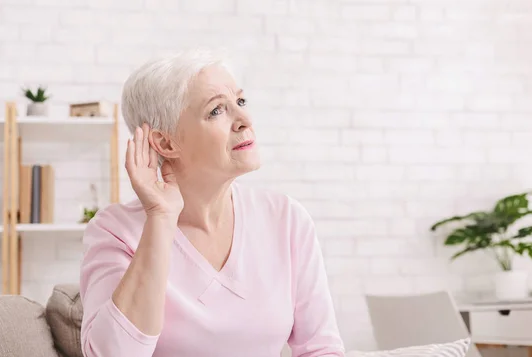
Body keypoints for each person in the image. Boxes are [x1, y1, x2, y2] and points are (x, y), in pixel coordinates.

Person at [79, 48, 345, 357]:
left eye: (240, 102)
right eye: (217, 110)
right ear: (166, 142)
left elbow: (321, 349)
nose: (245, 119)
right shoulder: (115, 230)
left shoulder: (286, 220)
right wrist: (161, 217)